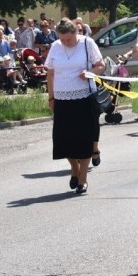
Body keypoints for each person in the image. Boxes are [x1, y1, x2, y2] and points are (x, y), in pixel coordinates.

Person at [45, 18, 105, 194]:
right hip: (62, 99)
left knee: (84, 138)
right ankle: (74, 169)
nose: (65, 42)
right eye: (62, 39)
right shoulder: (56, 46)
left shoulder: (87, 43)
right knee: (65, 139)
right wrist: (51, 98)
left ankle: (83, 178)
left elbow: (100, 65)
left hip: (83, 97)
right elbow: (50, 73)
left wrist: (90, 73)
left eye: (68, 39)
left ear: (76, 33)